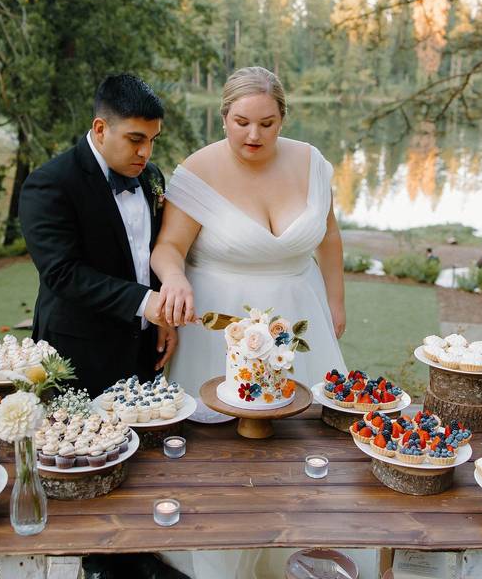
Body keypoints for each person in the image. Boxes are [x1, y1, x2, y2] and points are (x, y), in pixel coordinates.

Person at [150, 66, 364, 579]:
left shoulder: (312, 163)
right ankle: (220, 553)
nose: (253, 135)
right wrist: (173, 279)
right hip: (217, 327)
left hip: (300, 320)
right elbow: (168, 247)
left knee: (305, 442)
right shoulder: (196, 171)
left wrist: (335, 301)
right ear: (223, 116)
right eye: (241, 121)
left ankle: (297, 546)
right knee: (222, 452)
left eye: (267, 123)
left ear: (282, 118)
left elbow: (329, 238)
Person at [19, 73, 178, 400]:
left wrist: (162, 316)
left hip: (144, 352)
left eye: (153, 140)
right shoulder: (49, 184)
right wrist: (145, 302)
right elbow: (62, 273)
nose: (146, 152)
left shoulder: (151, 178)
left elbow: (153, 251)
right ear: (101, 129)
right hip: (78, 357)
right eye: (136, 139)